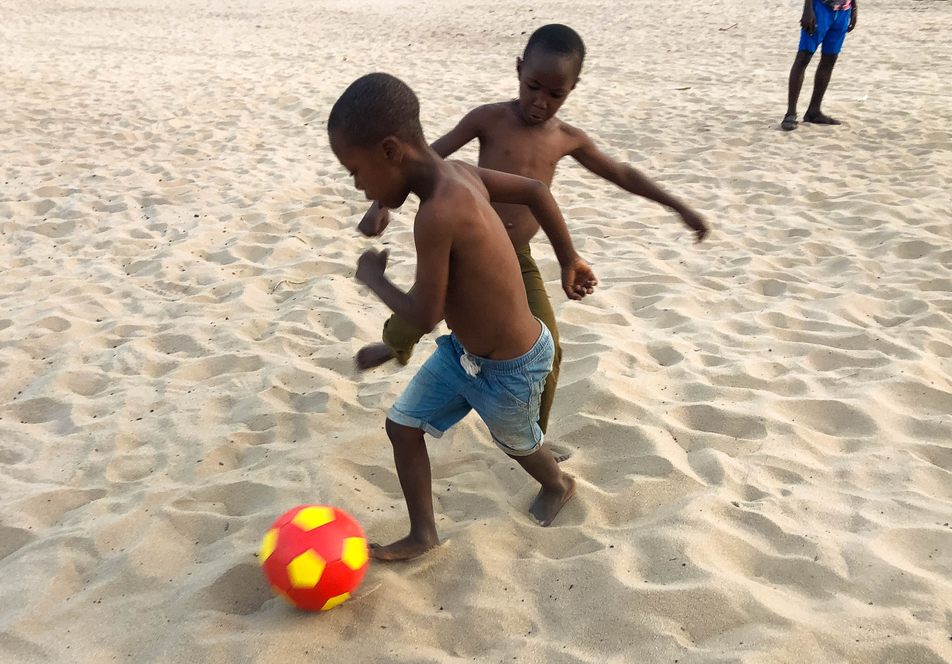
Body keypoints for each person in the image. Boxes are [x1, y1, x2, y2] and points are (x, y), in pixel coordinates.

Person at [355, 24, 709, 436]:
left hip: (516, 257)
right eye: (533, 87)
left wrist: (678, 206)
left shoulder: (568, 139)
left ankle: (534, 435)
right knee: (420, 308)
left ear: (573, 88)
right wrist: (381, 204)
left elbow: (622, 173)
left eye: (555, 94)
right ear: (519, 69)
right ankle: (395, 346)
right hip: (465, 247)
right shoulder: (489, 118)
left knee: (549, 347)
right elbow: (426, 159)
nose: (540, 102)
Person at [328, 73, 598, 560]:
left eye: (356, 171)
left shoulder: (437, 214)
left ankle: (558, 485)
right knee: (402, 426)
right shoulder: (460, 173)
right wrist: (568, 257)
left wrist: (373, 279)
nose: (359, 185)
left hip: (513, 366)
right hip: (463, 355)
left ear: (390, 151)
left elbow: (427, 313)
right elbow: (536, 190)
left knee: (518, 444)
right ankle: (422, 534)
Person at [781, 0, 859, 131]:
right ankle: (790, 113)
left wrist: (854, 7)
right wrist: (808, 9)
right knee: (804, 57)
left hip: (843, 11)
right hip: (820, 8)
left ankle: (814, 111)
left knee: (829, 59)